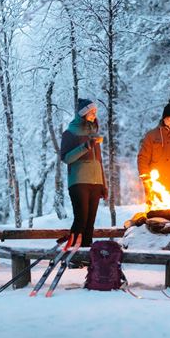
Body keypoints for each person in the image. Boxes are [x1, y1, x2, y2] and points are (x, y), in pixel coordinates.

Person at [60, 98, 107, 248]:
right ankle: (71, 253)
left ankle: (86, 254)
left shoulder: (94, 133)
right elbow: (66, 158)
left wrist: (103, 185)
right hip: (79, 181)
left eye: (95, 112)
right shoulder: (70, 133)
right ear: (83, 113)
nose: (94, 114)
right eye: (91, 112)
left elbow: (99, 162)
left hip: (96, 182)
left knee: (90, 223)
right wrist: (86, 146)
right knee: (81, 220)